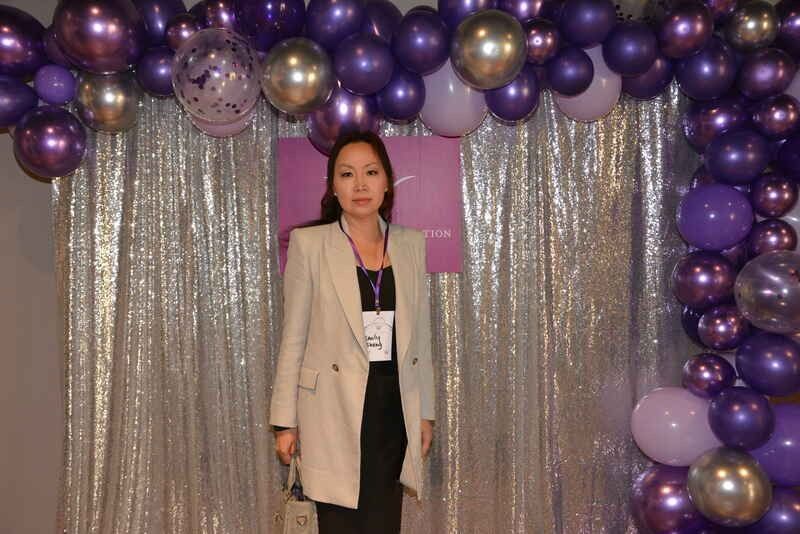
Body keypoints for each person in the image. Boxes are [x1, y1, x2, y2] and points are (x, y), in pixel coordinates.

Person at [269, 131, 436, 534]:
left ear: (387, 182)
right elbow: (293, 338)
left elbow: (421, 340)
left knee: (383, 522)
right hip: (332, 412)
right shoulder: (311, 245)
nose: (360, 185)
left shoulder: (411, 244)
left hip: (392, 411)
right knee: (339, 524)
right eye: (347, 174)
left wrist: (425, 412)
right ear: (333, 187)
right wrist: (284, 422)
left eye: (370, 172)